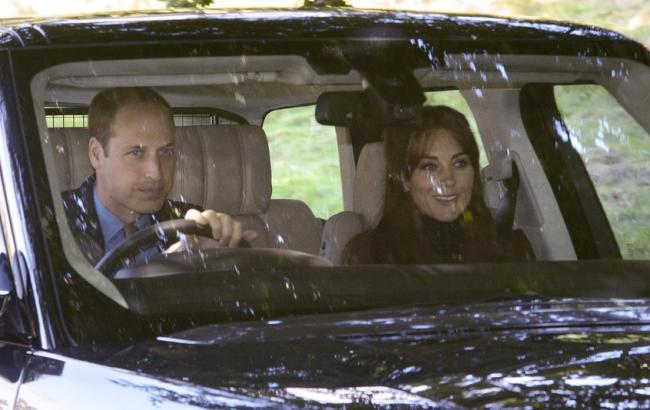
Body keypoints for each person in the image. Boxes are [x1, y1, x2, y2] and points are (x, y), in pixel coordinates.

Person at [62, 87, 255, 266]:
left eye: (166, 152)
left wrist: (218, 257)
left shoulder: (193, 226)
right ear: (96, 154)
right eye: (136, 153)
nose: (156, 173)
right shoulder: (52, 226)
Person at [343, 105, 534, 264]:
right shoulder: (370, 259)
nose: (448, 179)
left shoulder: (510, 250)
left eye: (460, 163)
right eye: (429, 167)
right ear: (405, 179)